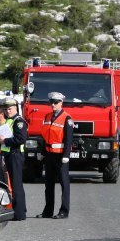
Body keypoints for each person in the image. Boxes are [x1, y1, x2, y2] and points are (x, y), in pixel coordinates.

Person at [38, 91, 73, 219]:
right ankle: (48, 211)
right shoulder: (47, 116)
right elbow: (44, 137)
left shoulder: (67, 118)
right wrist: (42, 152)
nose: (53, 104)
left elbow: (69, 139)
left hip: (60, 156)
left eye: (56, 102)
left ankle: (64, 211)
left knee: (64, 184)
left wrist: (66, 155)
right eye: (51, 102)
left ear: (61, 103)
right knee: (48, 184)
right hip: (49, 155)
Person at [0, 98, 27, 221]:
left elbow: (21, 139)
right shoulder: (9, 121)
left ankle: (19, 214)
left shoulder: (19, 121)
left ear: (16, 107)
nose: (7, 111)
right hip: (10, 154)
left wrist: (5, 140)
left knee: (16, 185)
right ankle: (19, 210)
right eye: (5, 109)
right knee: (14, 184)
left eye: (9, 108)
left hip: (16, 155)